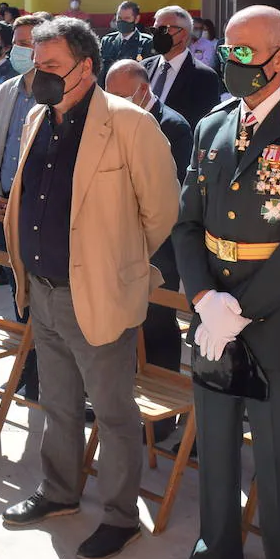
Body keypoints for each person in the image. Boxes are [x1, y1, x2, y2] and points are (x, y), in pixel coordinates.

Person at [154, 5, 280, 559]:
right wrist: (206, 298)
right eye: (227, 51)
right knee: (213, 445)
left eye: (245, 52)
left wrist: (238, 309)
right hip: (214, 317)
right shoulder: (212, 126)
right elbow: (185, 225)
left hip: (276, 322)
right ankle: (218, 553)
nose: (231, 62)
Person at [0, 21, 177, 559]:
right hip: (44, 289)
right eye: (36, 63)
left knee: (112, 411)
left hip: (96, 292)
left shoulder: (130, 124)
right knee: (57, 401)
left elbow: (161, 212)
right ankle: (59, 493)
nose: (39, 75)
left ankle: (120, 516)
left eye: (51, 66)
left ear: (86, 67)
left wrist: (117, 264)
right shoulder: (35, 117)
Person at [104, 59, 192, 378]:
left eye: (119, 94)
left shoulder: (173, 126)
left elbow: (171, 191)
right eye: (108, 93)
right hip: (117, 239)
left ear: (143, 91)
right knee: (123, 323)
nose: (111, 101)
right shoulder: (110, 119)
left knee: (157, 320)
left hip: (159, 244)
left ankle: (164, 415)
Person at [0, 13, 46, 393]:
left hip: (38, 214)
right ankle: (26, 361)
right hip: (3, 209)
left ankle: (40, 371)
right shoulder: (7, 90)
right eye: (18, 42)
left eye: (29, 43)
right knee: (16, 292)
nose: (21, 50)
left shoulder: (61, 92)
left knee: (42, 296)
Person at [142, 5, 222, 129]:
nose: (157, 35)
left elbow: (204, 126)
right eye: (154, 31)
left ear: (183, 34)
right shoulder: (142, 68)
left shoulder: (204, 77)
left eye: (163, 30)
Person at [98, 0, 155, 82]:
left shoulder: (147, 43)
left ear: (136, 19)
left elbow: (148, 75)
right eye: (119, 18)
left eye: (127, 18)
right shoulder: (107, 41)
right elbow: (100, 72)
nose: (122, 22)